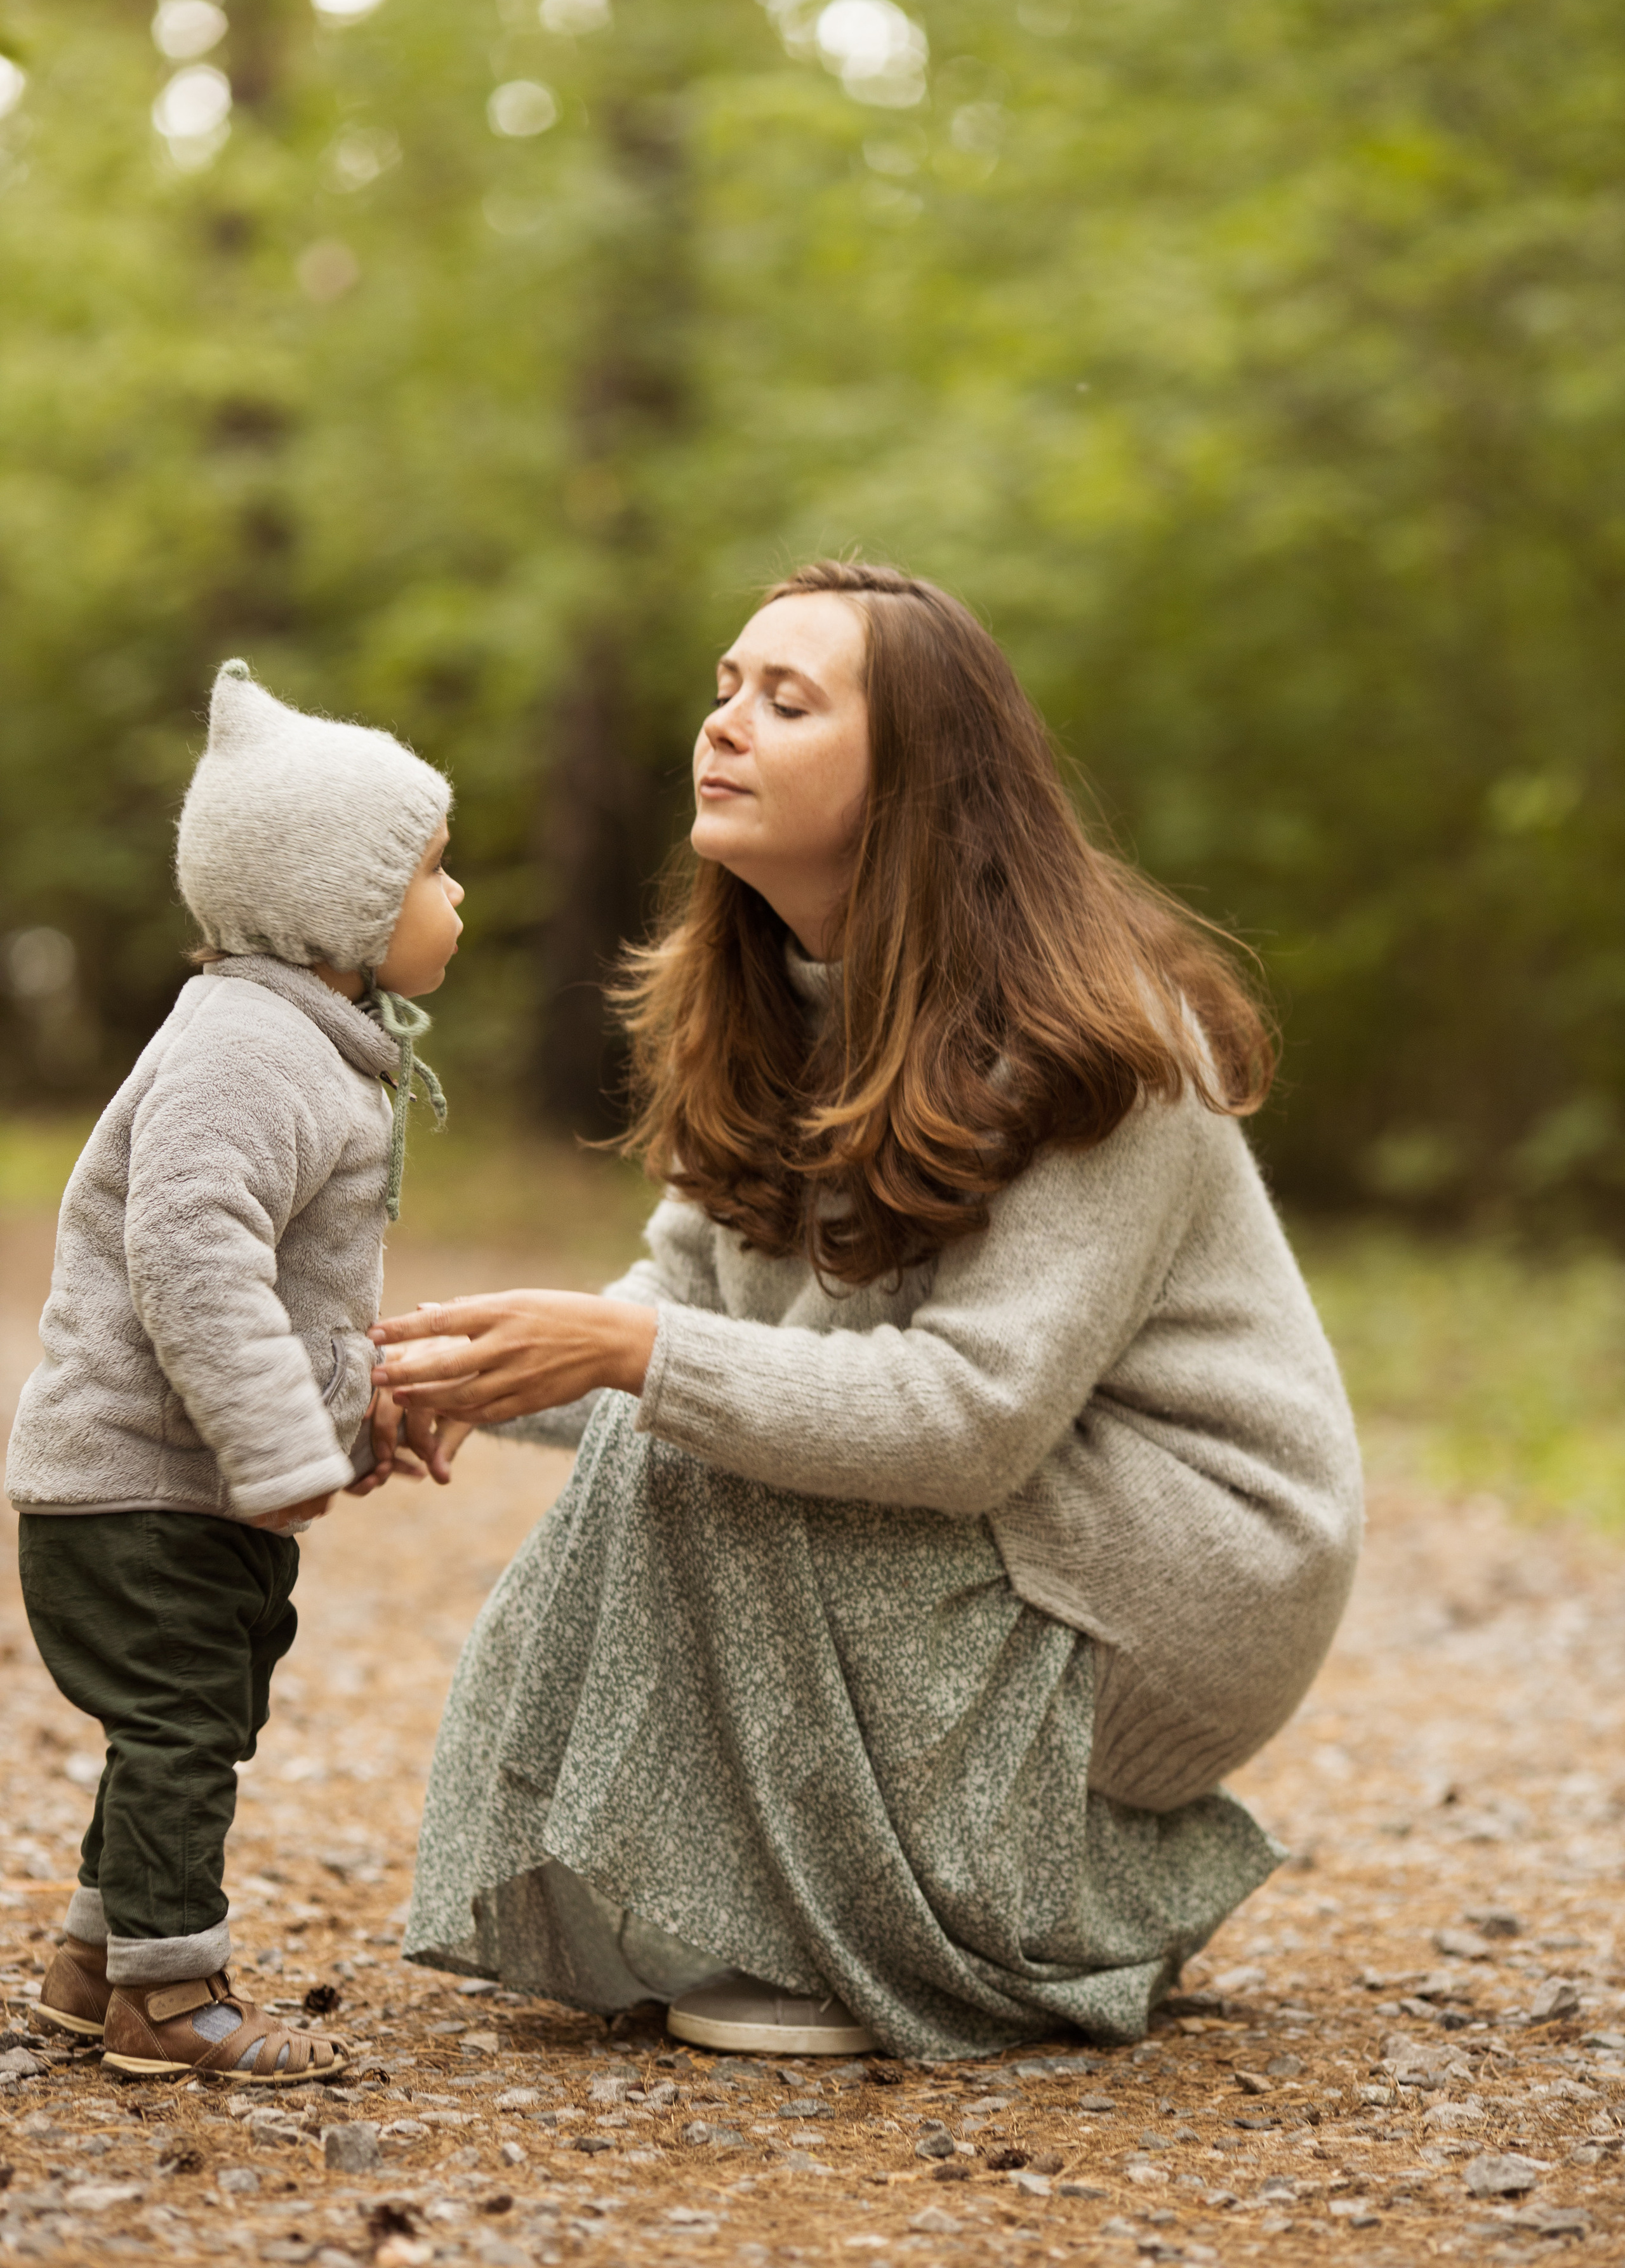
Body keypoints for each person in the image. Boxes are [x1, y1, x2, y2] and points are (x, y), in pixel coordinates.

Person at [372, 562, 1363, 2061]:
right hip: (1013, 1519)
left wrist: (632, 1357)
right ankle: (815, 1909)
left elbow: (966, 1421)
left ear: (916, 779)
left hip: (1172, 1570)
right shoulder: (775, 996)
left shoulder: (1095, 1042)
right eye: (723, 689)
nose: (724, 725)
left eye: (786, 700)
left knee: (687, 1441)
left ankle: (917, 1929)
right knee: (683, 1424)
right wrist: (467, 1368)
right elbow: (680, 1306)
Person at [6, 660, 462, 2084]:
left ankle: (94, 1965)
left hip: (186, 1488)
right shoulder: (251, 1046)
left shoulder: (302, 1042)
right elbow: (193, 1255)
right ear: (341, 905)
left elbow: (292, 1290)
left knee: (193, 1717)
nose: (460, 903)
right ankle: (167, 1998)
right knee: (184, 1726)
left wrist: (351, 1409)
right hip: (141, 1488)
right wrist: (278, 1445)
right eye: (437, 873)